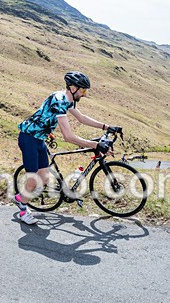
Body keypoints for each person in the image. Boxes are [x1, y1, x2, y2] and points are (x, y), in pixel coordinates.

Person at [14, 71, 115, 225]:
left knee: (45, 178)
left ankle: (21, 197)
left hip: (39, 139)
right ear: (73, 88)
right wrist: (95, 145)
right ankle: (23, 209)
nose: (84, 94)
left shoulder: (68, 100)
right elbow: (68, 136)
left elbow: (81, 118)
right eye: (82, 90)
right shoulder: (59, 100)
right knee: (33, 180)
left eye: (85, 91)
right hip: (29, 138)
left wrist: (107, 126)